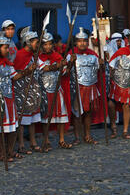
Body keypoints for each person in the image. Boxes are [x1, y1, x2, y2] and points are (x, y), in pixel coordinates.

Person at [0, 32, 37, 162]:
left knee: (11, 127)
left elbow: (15, 76)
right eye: (4, 47)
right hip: (0, 100)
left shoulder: (8, 65)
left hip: (9, 98)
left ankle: (9, 151)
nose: (7, 50)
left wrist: (28, 71)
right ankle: (2, 153)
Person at [67, 28, 104, 145]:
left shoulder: (93, 55)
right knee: (77, 112)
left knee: (88, 112)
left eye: (84, 41)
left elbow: (99, 71)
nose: (82, 43)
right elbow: (66, 71)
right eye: (80, 41)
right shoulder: (71, 55)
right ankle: (77, 137)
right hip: (77, 87)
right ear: (76, 42)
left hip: (90, 87)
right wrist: (69, 62)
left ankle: (87, 135)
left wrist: (102, 64)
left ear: (88, 42)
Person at [38, 31, 75, 150]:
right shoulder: (38, 58)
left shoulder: (57, 56)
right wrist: (61, 64)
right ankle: (46, 140)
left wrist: (70, 64)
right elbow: (46, 68)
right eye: (45, 44)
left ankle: (61, 140)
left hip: (57, 90)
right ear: (41, 45)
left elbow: (65, 72)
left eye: (49, 44)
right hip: (45, 90)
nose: (47, 47)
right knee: (45, 117)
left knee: (60, 117)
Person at [13, 29, 42, 154]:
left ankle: (33, 142)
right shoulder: (18, 55)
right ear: (28, 42)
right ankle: (21, 144)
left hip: (33, 89)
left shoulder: (35, 55)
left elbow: (41, 68)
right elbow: (15, 73)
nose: (38, 44)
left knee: (33, 118)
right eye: (36, 42)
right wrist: (27, 70)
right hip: (21, 89)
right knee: (22, 119)